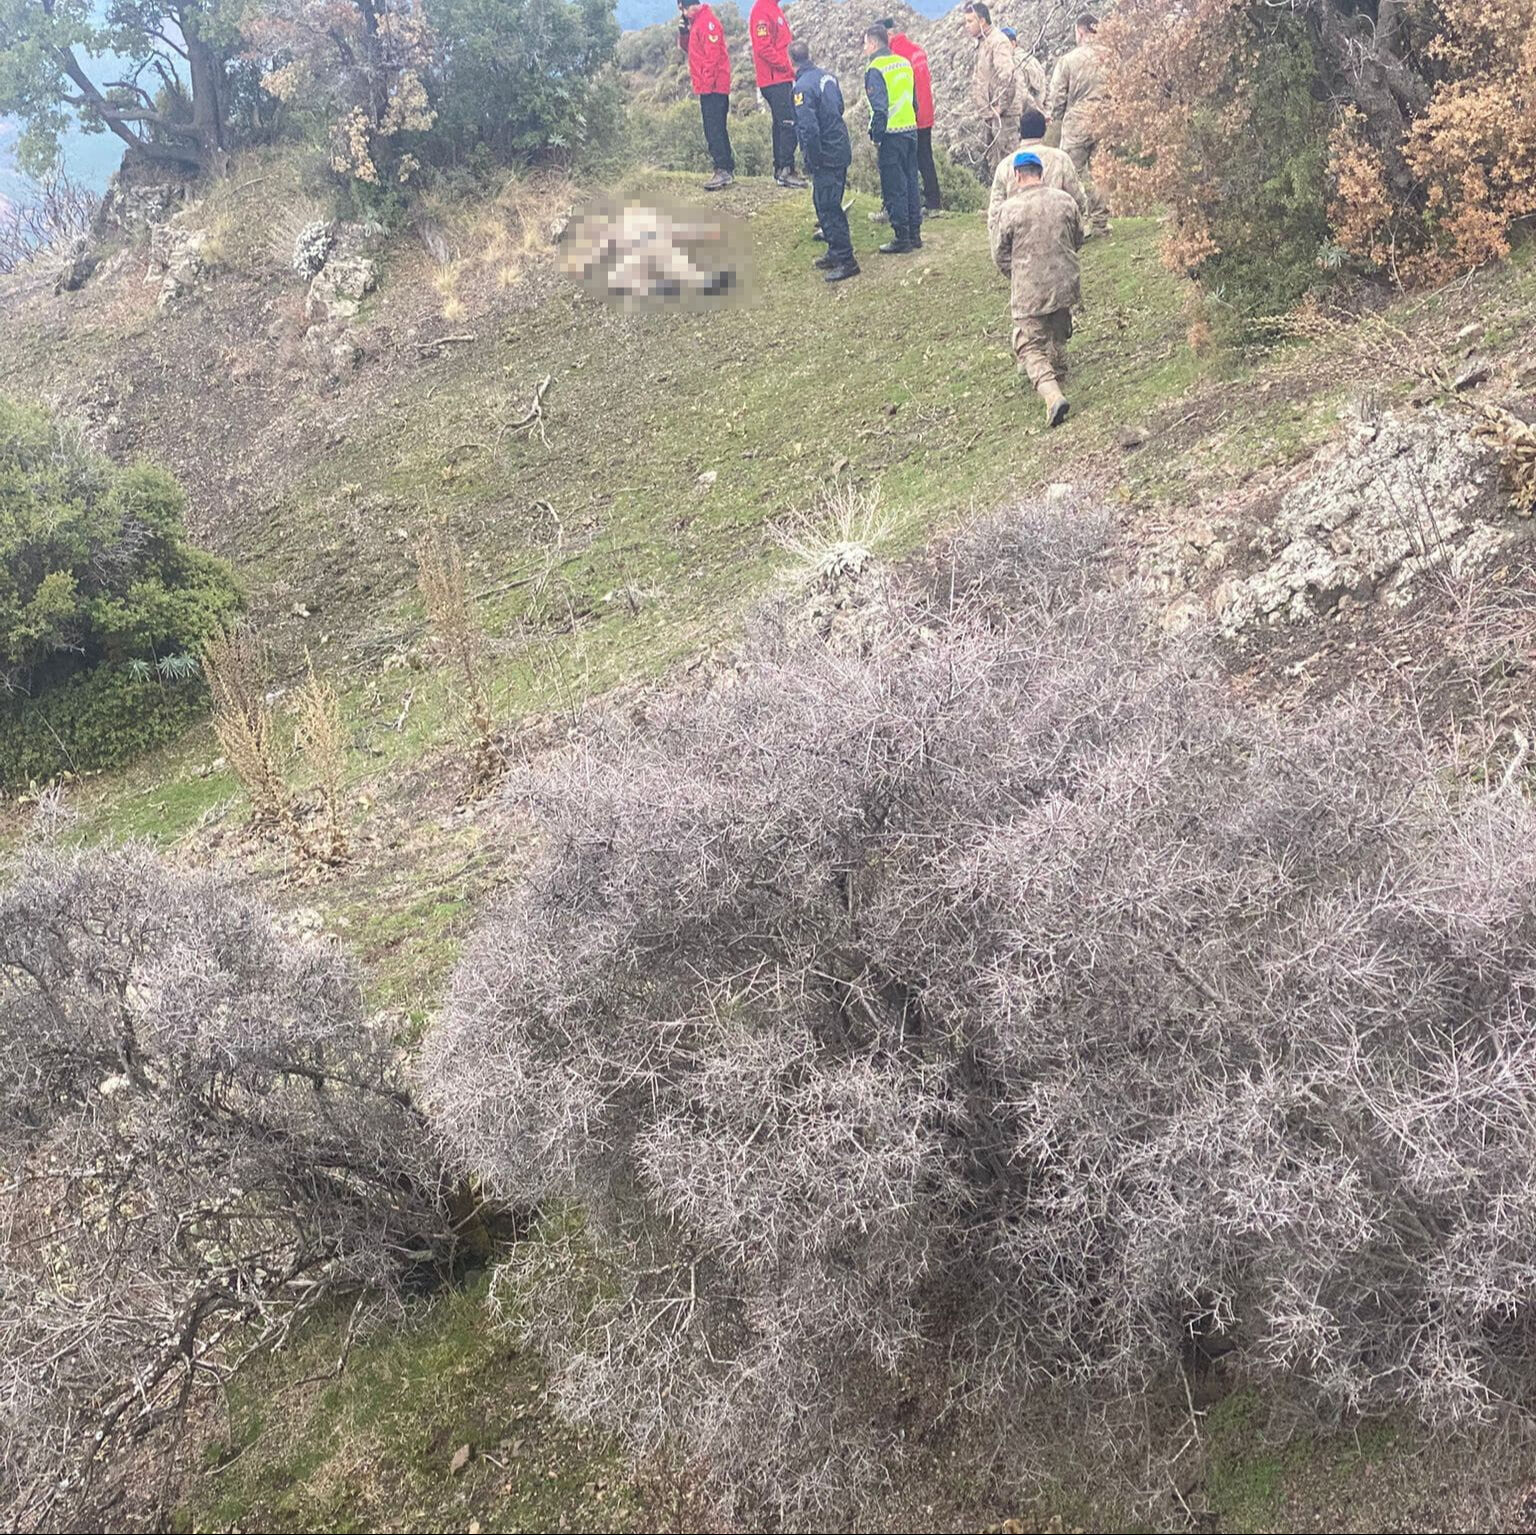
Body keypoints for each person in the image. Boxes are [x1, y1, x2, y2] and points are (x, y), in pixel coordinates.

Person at [991, 150, 1083, 427]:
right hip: (1066, 283)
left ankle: (1052, 396)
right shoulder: (1065, 201)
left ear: (1017, 176)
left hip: (1030, 289)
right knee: (1057, 324)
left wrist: (1017, 274)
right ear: (1041, 173)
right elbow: (1078, 237)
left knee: (1027, 345)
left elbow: (1000, 254)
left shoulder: (1009, 209)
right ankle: (1059, 363)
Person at [790, 40, 858, 283]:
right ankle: (834, 251)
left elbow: (808, 128)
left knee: (829, 208)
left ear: (791, 62)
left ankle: (846, 260)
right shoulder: (828, 77)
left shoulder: (801, 88)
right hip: (839, 145)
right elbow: (839, 107)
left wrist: (813, 158)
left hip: (825, 154)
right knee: (824, 203)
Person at [1047, 11, 1109, 234]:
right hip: (1106, 119)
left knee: (1069, 171)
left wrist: (1056, 116)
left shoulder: (1069, 60)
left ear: (1080, 32)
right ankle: (1100, 223)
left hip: (1077, 121)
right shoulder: (1110, 56)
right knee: (1101, 172)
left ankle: (1073, 223)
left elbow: (1057, 96)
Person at [863, 24, 923, 254]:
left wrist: (877, 137)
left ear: (874, 43)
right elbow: (914, 100)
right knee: (911, 183)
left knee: (894, 187)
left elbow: (879, 109)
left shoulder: (875, 69)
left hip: (891, 134)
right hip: (910, 130)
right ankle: (915, 234)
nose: (864, 49)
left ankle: (901, 237)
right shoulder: (904, 63)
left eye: (865, 43)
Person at [987, 106, 1085, 242]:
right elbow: (1078, 199)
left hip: (1019, 240)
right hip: (1057, 236)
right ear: (1044, 130)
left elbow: (995, 214)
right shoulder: (1061, 159)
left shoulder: (1005, 165)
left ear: (1020, 131)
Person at [882, 19, 940, 213]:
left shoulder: (896, 56)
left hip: (909, 115)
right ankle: (933, 202)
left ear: (888, 35)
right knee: (926, 158)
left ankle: (902, 204)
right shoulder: (917, 50)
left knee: (904, 162)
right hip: (926, 112)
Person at [678, 0, 734, 191]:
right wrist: (683, 32)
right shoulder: (696, 23)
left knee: (714, 129)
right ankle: (726, 167)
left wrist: (706, 85)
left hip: (714, 86)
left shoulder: (708, 23)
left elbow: (713, 57)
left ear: (686, 6)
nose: (682, 13)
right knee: (716, 127)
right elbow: (690, 49)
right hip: (708, 85)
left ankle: (722, 168)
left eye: (682, 9)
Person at [750, 0, 806, 188]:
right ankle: (786, 170)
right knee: (788, 123)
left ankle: (781, 168)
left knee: (780, 124)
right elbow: (763, 48)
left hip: (781, 77)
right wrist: (786, 66)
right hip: (774, 78)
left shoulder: (773, 8)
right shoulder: (762, 11)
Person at [963, 2, 1020, 175]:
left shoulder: (997, 41)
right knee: (995, 166)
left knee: (1009, 166)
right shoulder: (983, 42)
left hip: (1003, 118)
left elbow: (1008, 75)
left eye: (970, 21)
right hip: (990, 116)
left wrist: (1001, 106)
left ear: (982, 21)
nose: (967, 26)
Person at [1001, 25, 1048, 115]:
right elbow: (1046, 87)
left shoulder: (1013, 63)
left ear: (1013, 43)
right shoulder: (1032, 60)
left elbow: (1022, 94)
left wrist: (1037, 112)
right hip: (1039, 115)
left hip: (1026, 116)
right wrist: (1045, 113)